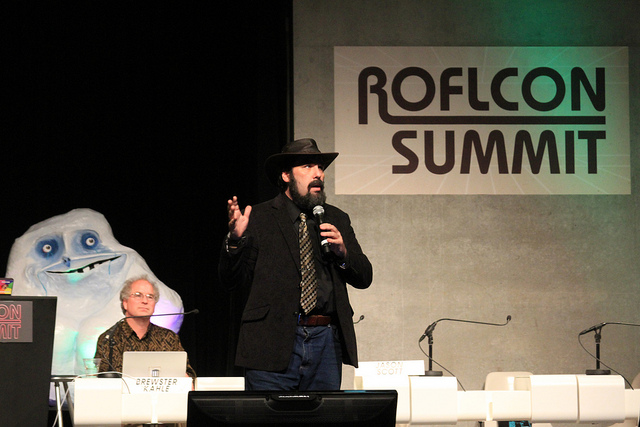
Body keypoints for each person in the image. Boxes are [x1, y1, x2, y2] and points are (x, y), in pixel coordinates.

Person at [219, 138, 373, 391]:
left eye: (320, 168)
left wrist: (343, 253)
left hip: (325, 342)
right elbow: (231, 280)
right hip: (271, 342)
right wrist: (235, 242)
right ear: (286, 175)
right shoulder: (259, 217)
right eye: (308, 166)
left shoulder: (336, 218)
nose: (318, 174)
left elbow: (364, 277)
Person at [94, 276, 196, 379]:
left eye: (150, 296)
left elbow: (188, 376)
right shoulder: (109, 339)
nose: (145, 301)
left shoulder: (168, 338)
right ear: (125, 303)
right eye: (138, 295)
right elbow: (102, 381)